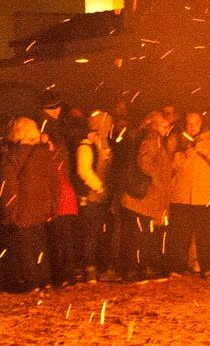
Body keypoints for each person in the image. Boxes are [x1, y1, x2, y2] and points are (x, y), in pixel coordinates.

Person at [0, 117, 60, 289]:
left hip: (22, 208)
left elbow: (9, 186)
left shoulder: (13, 155)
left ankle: (31, 282)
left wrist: (10, 210)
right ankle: (44, 279)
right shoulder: (44, 154)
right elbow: (54, 182)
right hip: (42, 208)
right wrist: (52, 207)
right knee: (40, 244)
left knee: (25, 247)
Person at [169, 110, 210, 276]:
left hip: (206, 196)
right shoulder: (176, 140)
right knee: (180, 233)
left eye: (195, 123)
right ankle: (177, 267)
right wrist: (182, 156)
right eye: (189, 123)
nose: (192, 127)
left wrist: (205, 151)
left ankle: (207, 267)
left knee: (206, 233)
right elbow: (168, 167)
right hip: (181, 196)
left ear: (201, 123)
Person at [118, 106, 178, 278]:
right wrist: (158, 182)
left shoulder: (155, 139)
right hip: (143, 197)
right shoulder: (153, 139)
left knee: (142, 233)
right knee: (141, 234)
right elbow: (145, 164)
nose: (168, 130)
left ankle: (140, 267)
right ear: (155, 125)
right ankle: (136, 269)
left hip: (145, 197)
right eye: (165, 126)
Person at [73, 110, 115, 283]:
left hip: (103, 198)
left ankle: (99, 266)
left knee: (99, 233)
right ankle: (88, 268)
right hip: (91, 197)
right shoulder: (86, 146)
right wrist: (99, 187)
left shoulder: (104, 145)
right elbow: (84, 170)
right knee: (89, 234)